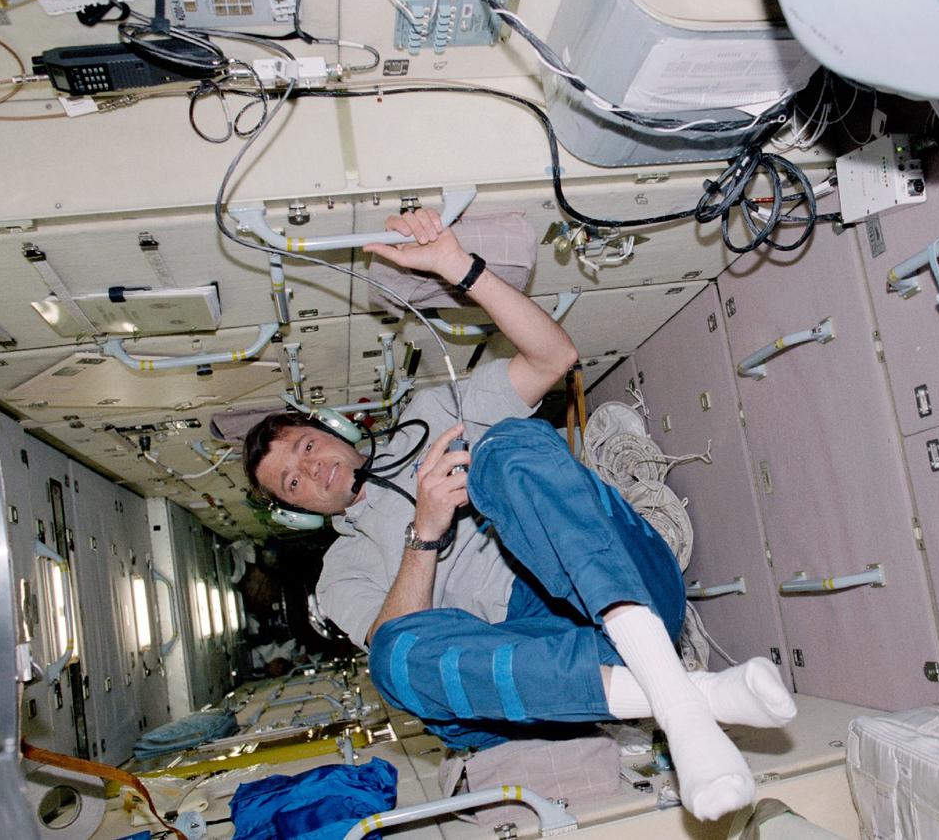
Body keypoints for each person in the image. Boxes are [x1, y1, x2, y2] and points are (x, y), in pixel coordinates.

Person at [242, 209, 796, 821]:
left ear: (336, 429)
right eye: (293, 483)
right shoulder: (340, 571)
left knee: (505, 445)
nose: (313, 470)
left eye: (307, 447)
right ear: (298, 512)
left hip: (619, 591)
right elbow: (397, 644)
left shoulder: (431, 411)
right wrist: (423, 533)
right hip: (527, 681)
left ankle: (671, 692)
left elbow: (553, 356)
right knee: (392, 656)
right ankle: (682, 695)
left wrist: (460, 268)